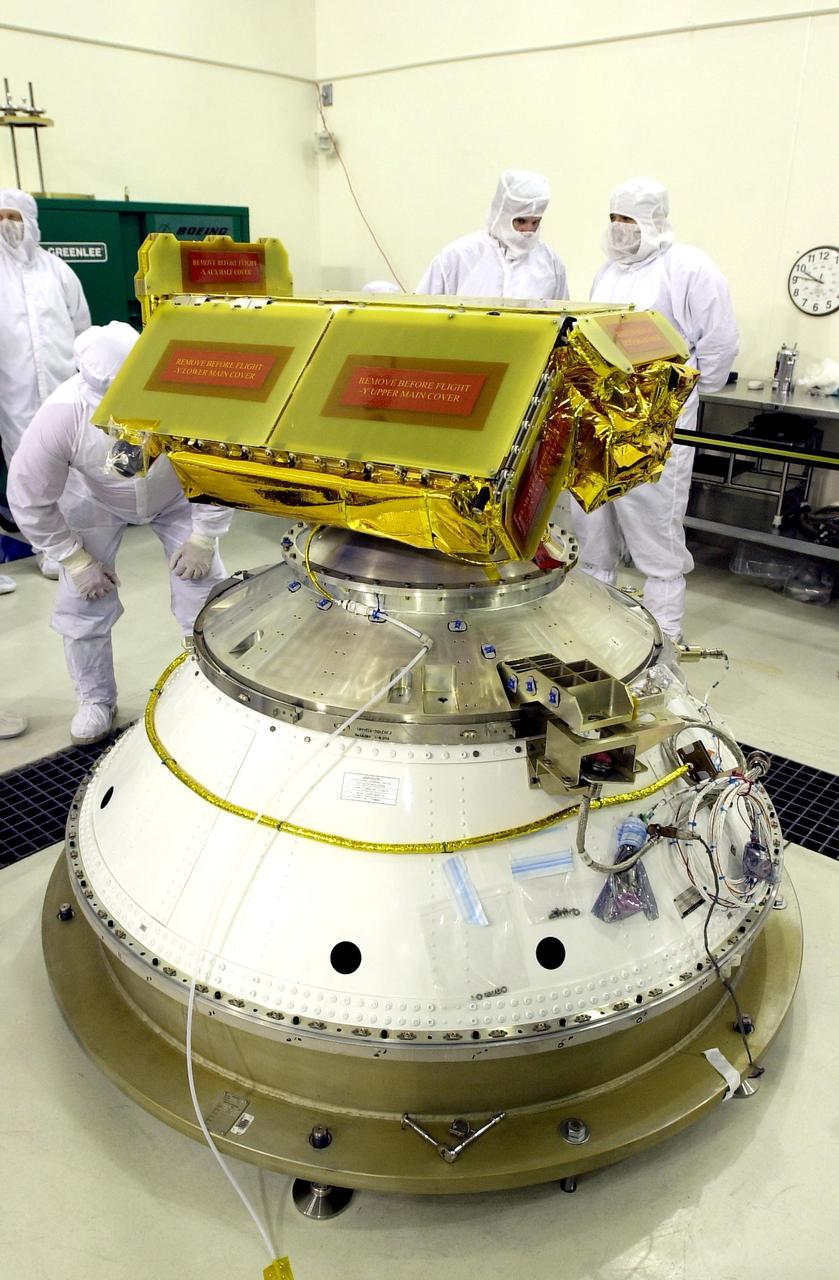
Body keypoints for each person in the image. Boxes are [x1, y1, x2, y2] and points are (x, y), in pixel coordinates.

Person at [8, 322, 234, 745]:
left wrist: (204, 537)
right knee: (81, 605)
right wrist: (74, 558)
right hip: (95, 500)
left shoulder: (190, 396)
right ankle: (96, 700)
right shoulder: (61, 416)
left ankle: (208, 689)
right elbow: (29, 496)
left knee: (203, 590)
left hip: (178, 495)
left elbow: (215, 469)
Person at [571, 176, 739, 640]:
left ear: (655, 220)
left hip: (659, 414)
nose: (619, 229)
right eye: (614, 219)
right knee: (595, 518)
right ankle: (592, 620)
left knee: (654, 523)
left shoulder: (689, 267)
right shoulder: (609, 271)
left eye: (629, 220)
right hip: (605, 410)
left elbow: (720, 341)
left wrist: (682, 392)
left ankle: (665, 633)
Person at [0, 189, 91, 578]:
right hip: (13, 393)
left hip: (63, 392)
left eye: (14, 217)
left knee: (72, 466)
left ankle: (78, 543)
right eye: (1, 217)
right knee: (27, 469)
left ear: (31, 221)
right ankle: (47, 548)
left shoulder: (59, 273)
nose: (7, 225)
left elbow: (82, 328)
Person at [416, 169, 568, 300]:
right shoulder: (458, 257)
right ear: (502, 214)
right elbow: (421, 316)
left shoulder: (550, 263)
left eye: (535, 222)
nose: (528, 230)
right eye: (520, 221)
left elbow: (564, 323)